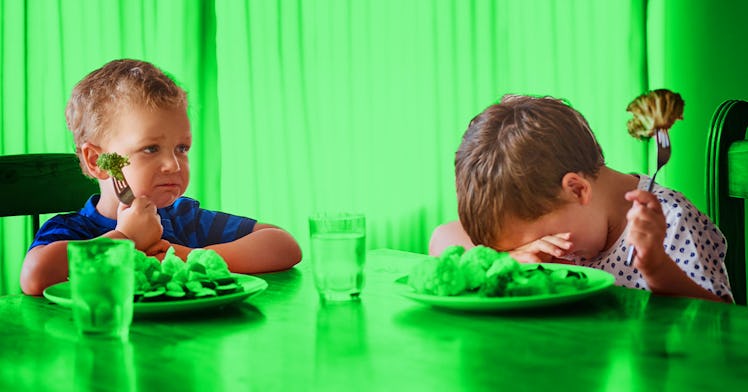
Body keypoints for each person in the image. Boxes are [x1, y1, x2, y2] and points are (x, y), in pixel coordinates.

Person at [20, 59, 302, 295]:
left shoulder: (184, 219)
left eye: (182, 148)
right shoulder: (75, 231)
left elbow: (283, 245)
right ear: (99, 161)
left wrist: (187, 257)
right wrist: (125, 238)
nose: (173, 164)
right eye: (150, 148)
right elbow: (35, 276)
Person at [432, 94, 732, 302]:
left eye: (540, 239)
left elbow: (720, 323)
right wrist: (508, 259)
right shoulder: (555, 207)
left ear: (577, 190)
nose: (538, 251)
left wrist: (656, 268)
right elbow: (441, 237)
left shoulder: (669, 223)